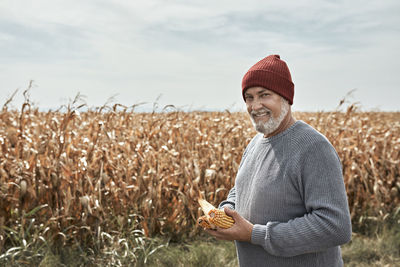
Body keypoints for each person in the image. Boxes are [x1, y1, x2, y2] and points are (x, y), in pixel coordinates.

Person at [205, 54, 352, 266]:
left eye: (264, 95)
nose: (255, 106)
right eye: (249, 97)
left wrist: (254, 234)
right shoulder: (255, 143)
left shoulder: (313, 148)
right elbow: (242, 189)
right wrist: (226, 209)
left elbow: (334, 226)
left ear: (285, 97)